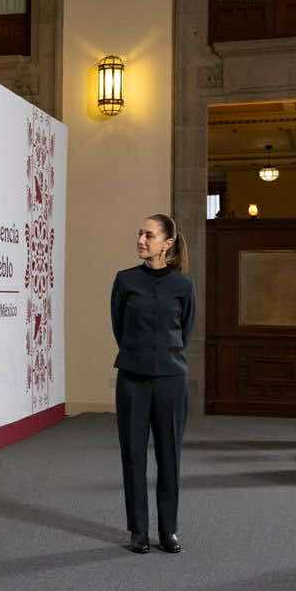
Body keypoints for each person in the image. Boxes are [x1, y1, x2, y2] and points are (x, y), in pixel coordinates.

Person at [109, 212, 195, 555]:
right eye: (139, 234)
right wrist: (138, 354)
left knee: (169, 455)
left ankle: (169, 531)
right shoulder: (125, 280)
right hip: (132, 378)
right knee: (133, 455)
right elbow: (119, 327)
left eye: (148, 235)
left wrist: (163, 357)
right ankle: (138, 530)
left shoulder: (184, 287)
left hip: (171, 380)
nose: (141, 240)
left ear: (167, 244)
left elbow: (185, 332)